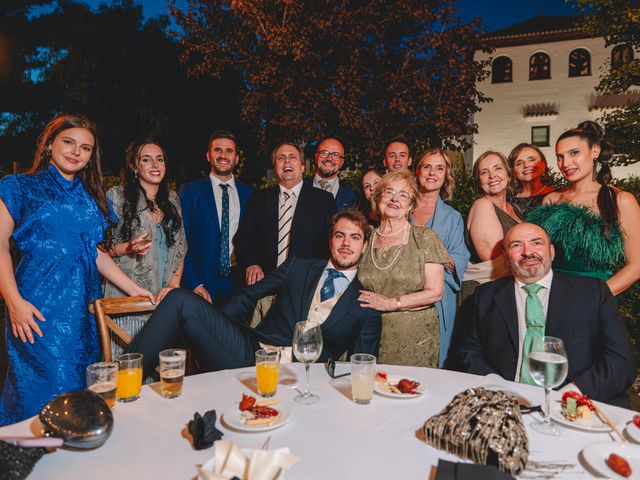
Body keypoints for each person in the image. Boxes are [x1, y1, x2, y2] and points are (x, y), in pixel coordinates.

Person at [0, 114, 153, 426]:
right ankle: (22, 463)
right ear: (50, 144)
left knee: (81, 401)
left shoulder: (89, 199)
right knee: (42, 401)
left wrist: (133, 288)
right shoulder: (19, 186)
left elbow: (95, 254)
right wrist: (14, 303)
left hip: (83, 318)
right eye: (68, 142)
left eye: (85, 148)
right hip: (37, 313)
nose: (75, 151)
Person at [125, 209, 381, 379]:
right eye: (340, 235)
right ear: (330, 240)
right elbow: (248, 295)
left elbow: (363, 366)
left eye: (355, 238)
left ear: (364, 246)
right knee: (178, 298)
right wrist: (217, 326)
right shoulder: (299, 266)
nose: (346, 244)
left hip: (304, 377)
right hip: (251, 355)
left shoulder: (366, 303)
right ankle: (120, 387)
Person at [460, 223, 636, 406]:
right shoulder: (485, 296)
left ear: (551, 251)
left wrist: (570, 395)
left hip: (575, 402)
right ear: (506, 257)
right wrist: (497, 386)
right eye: (516, 245)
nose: (528, 252)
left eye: (537, 243)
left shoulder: (592, 292)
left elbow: (621, 361)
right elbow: (469, 352)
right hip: (506, 402)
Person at [528, 121, 640, 296]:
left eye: (574, 153)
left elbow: (636, 266)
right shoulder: (551, 200)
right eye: (560, 156)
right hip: (551, 295)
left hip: (596, 299)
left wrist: (595, 299)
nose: (565, 163)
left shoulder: (620, 200)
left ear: (595, 151)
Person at [357, 170, 450, 368]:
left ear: (411, 205)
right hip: (366, 334)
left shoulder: (425, 237)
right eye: (389, 192)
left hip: (413, 339)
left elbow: (436, 292)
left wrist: (391, 303)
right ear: (378, 197)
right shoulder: (365, 236)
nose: (394, 199)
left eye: (403, 195)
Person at [104, 140, 187, 356]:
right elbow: (100, 250)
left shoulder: (172, 200)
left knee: (163, 376)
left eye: (159, 159)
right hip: (127, 303)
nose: (155, 165)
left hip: (163, 305)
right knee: (127, 371)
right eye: (146, 159)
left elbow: (180, 248)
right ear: (134, 166)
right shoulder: (117, 197)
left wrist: (174, 285)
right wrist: (128, 247)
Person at [235, 141, 336, 286]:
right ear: (275, 168)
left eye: (292, 157)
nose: (286, 161)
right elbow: (243, 239)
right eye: (281, 158)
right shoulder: (258, 199)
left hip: (304, 285)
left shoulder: (323, 200)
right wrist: (250, 264)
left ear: (302, 167)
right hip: (264, 284)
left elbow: (330, 245)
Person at [179, 130, 254, 303]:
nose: (223, 155)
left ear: (236, 158)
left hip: (240, 286)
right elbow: (180, 244)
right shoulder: (189, 193)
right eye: (217, 150)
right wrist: (194, 283)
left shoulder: (250, 195)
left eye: (229, 151)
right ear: (208, 156)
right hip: (201, 286)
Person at [413, 149, 469, 367]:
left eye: (439, 168)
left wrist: (422, 254)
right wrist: (438, 256)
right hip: (400, 294)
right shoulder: (401, 207)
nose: (432, 173)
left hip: (438, 299)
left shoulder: (453, 217)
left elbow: (458, 258)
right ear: (418, 171)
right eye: (427, 166)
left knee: (435, 363)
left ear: (446, 175)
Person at [461, 151, 522, 297]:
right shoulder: (483, 205)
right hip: (487, 292)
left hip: (508, 287)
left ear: (508, 174)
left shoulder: (513, 208)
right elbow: (492, 257)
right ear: (479, 181)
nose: (492, 175)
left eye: (497, 168)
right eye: (484, 172)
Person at [306, 138, 357, 211]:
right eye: (324, 153)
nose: (329, 158)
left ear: (341, 163)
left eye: (336, 155)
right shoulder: (299, 187)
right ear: (316, 157)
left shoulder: (351, 196)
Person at [507, 143, 556, 218]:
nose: (526, 165)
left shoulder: (558, 195)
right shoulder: (508, 200)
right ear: (513, 172)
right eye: (519, 163)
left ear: (544, 164)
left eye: (532, 160)